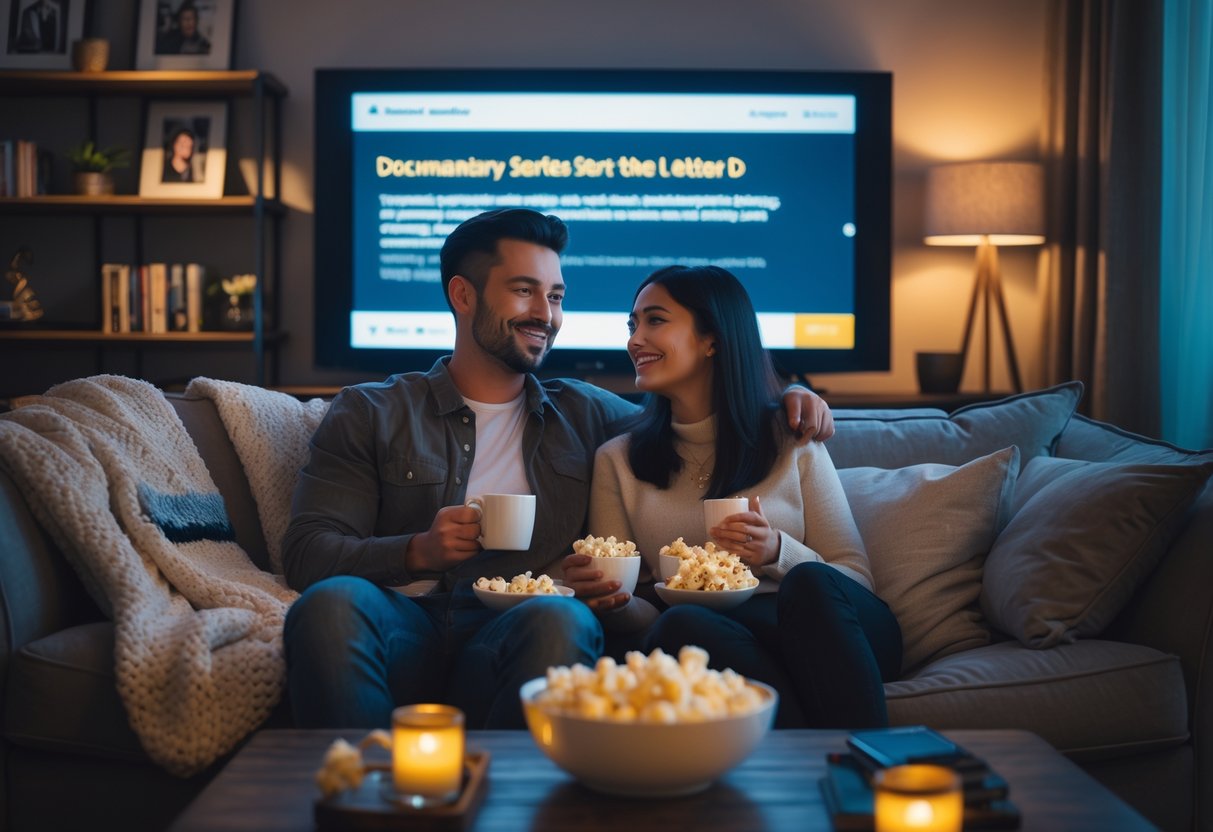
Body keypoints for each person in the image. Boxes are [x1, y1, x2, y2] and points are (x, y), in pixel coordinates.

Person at [282, 208, 836, 731]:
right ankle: (363, 796)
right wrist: (416, 552)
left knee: (561, 618)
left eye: (555, 296)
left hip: (517, 632)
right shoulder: (372, 410)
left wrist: (788, 396)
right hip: (404, 623)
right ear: (463, 295)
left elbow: (699, 416)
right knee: (328, 605)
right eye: (524, 291)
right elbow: (308, 552)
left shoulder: (584, 412)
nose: (546, 315)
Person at [567, 265, 901, 729]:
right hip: (727, 643)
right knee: (678, 625)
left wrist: (778, 552)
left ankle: (865, 755)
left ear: (712, 339)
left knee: (808, 581)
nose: (635, 340)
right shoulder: (617, 460)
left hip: (830, 633)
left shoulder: (793, 438)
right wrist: (615, 602)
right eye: (632, 324)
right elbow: (644, 607)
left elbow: (854, 580)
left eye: (655, 320)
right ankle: (824, 753)